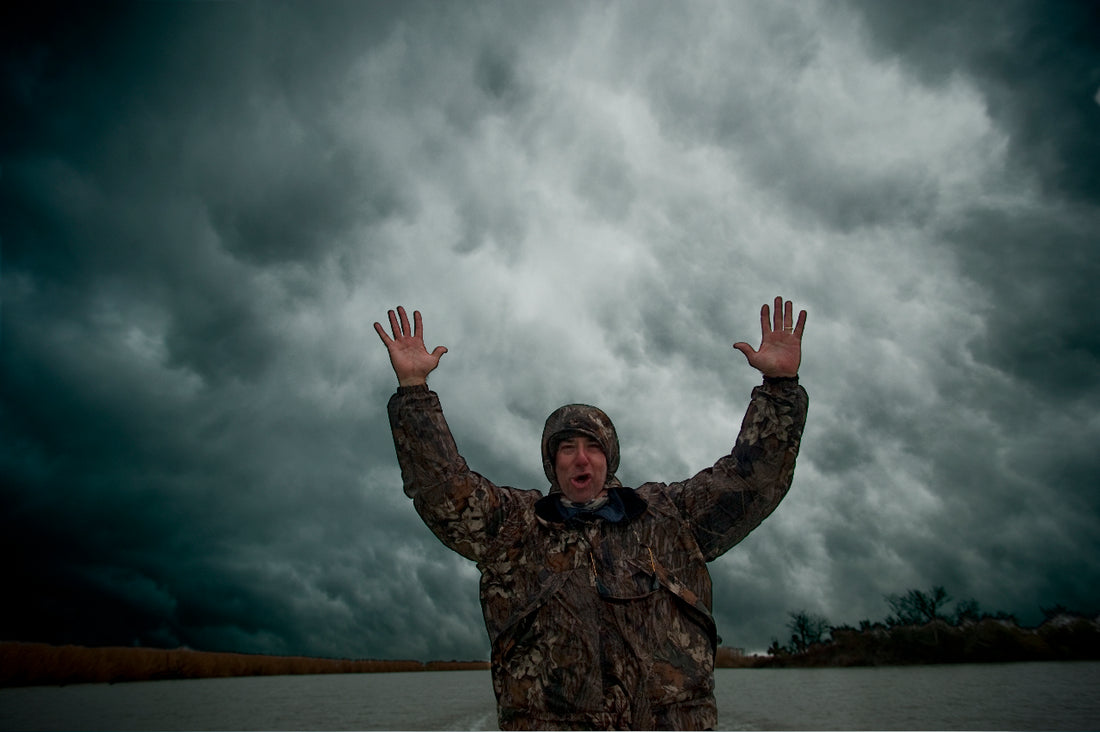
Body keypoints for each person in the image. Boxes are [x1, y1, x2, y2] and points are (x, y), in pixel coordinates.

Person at [374, 298, 808, 731]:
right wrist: (414, 391)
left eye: (593, 447)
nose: (581, 459)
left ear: (609, 458)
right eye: (567, 448)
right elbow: (443, 489)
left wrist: (780, 386)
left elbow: (753, 481)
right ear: (553, 463)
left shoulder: (669, 518)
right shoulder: (513, 528)